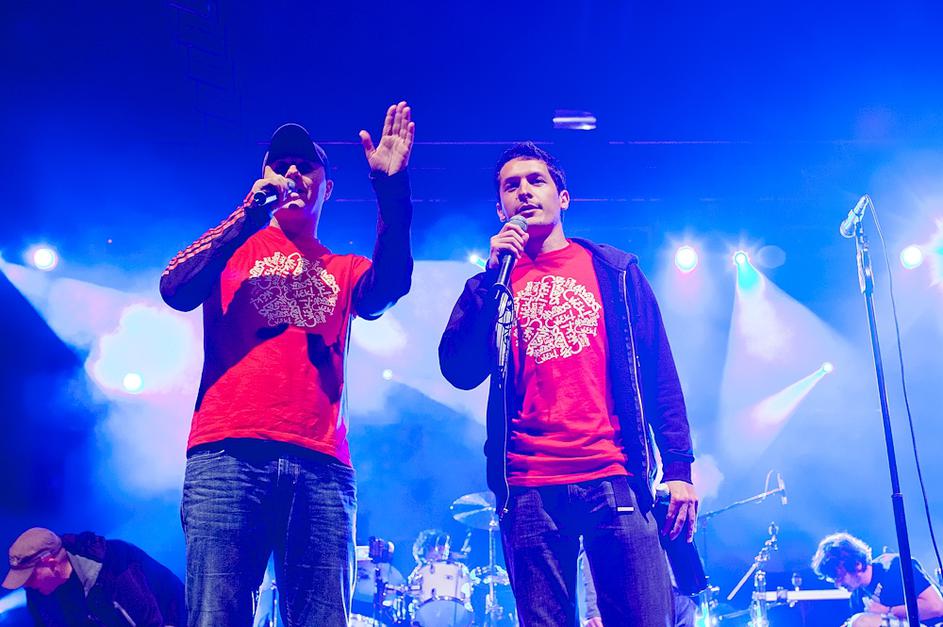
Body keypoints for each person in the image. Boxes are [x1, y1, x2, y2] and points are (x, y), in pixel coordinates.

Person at [159, 102, 415, 626]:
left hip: (321, 465)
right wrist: (249, 214)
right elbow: (175, 288)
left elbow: (389, 286)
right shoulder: (233, 248)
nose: (293, 172)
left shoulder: (344, 268)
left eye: (306, 166)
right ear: (264, 178)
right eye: (281, 165)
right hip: (228, 456)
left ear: (327, 188)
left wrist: (390, 190)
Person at [438, 142, 698, 626]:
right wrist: (491, 281)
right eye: (511, 186)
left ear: (563, 198)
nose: (524, 192)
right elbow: (458, 370)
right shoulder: (490, 285)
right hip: (529, 486)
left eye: (535, 180)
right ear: (500, 210)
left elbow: (659, 373)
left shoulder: (615, 272)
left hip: (613, 475)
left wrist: (679, 468)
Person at [2, 527, 185, 626]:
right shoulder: (38, 595)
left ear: (50, 563)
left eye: (29, 577)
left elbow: (149, 621)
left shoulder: (116, 564)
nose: (26, 585)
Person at [812, 532, 943, 626]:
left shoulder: (894, 567)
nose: (837, 583)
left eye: (838, 576)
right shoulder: (857, 598)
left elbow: (937, 607)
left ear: (857, 564)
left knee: (861, 622)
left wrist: (889, 611)